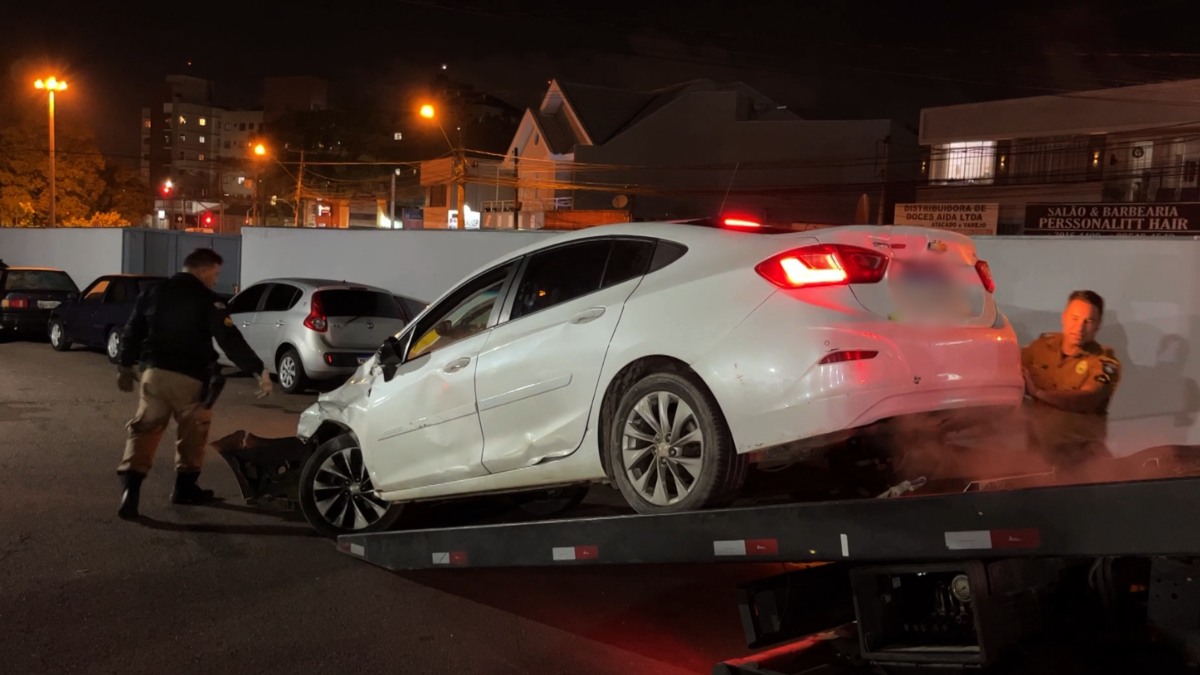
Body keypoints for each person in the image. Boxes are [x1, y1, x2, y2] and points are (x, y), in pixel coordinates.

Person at [114, 247, 272, 520]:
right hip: (191, 379)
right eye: (215, 273)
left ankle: (131, 491)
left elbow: (133, 328)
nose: (215, 279)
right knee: (192, 433)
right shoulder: (208, 300)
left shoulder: (154, 292)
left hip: (155, 374)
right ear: (202, 269)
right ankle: (184, 489)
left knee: (145, 429)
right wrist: (258, 369)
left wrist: (124, 365)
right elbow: (229, 339)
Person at [1021, 290, 1122, 471]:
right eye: (1074, 318)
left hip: (1082, 460)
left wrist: (1038, 393)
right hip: (1038, 458)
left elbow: (1087, 398)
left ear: (1098, 325)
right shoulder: (1041, 348)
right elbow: (1006, 373)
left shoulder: (1104, 362)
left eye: (1088, 321)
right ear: (1064, 317)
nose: (1079, 327)